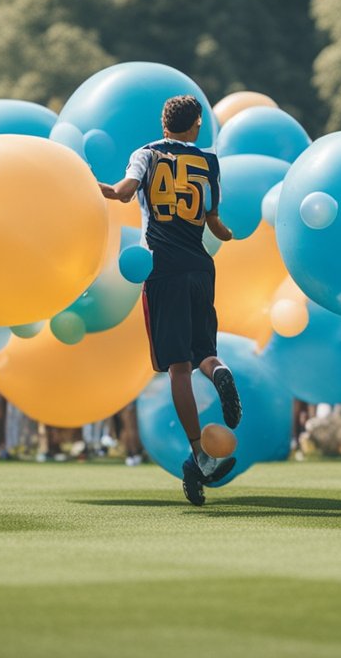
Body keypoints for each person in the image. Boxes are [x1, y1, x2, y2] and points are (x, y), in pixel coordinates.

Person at [98, 94, 242, 507]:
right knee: (204, 352)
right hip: (200, 266)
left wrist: (86, 184)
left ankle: (200, 452)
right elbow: (214, 221)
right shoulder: (209, 161)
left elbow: (122, 192)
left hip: (162, 270)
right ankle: (220, 373)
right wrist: (228, 234)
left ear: (164, 125)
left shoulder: (146, 155)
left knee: (178, 369)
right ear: (195, 124)